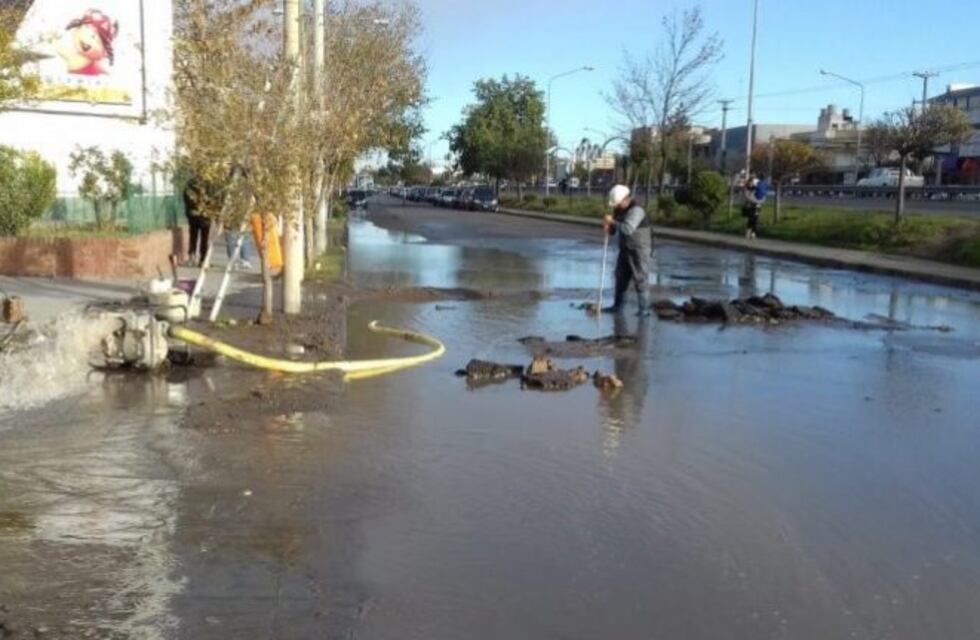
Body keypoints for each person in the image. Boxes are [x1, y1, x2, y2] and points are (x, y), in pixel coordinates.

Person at [603, 185, 652, 317]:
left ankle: (644, 309)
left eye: (618, 203)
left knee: (640, 278)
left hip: (639, 249)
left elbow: (627, 229)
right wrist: (609, 227)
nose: (616, 206)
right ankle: (617, 306)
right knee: (620, 277)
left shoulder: (637, 211)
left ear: (625, 199)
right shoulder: (619, 210)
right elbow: (614, 231)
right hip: (625, 248)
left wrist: (613, 222)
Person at [183, 177, 211, 267]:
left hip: (196, 215)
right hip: (203, 216)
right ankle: (201, 259)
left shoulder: (190, 184)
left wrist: (191, 209)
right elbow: (212, 200)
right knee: (203, 238)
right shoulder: (208, 184)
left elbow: (186, 198)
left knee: (194, 237)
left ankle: (195, 258)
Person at [742, 174, 767, 239]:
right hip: (752, 205)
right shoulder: (749, 188)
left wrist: (756, 201)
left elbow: (748, 197)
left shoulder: (755, 188)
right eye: (751, 181)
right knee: (752, 219)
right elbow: (747, 196)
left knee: (755, 218)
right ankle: (750, 232)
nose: (752, 183)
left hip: (755, 205)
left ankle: (752, 232)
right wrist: (758, 201)